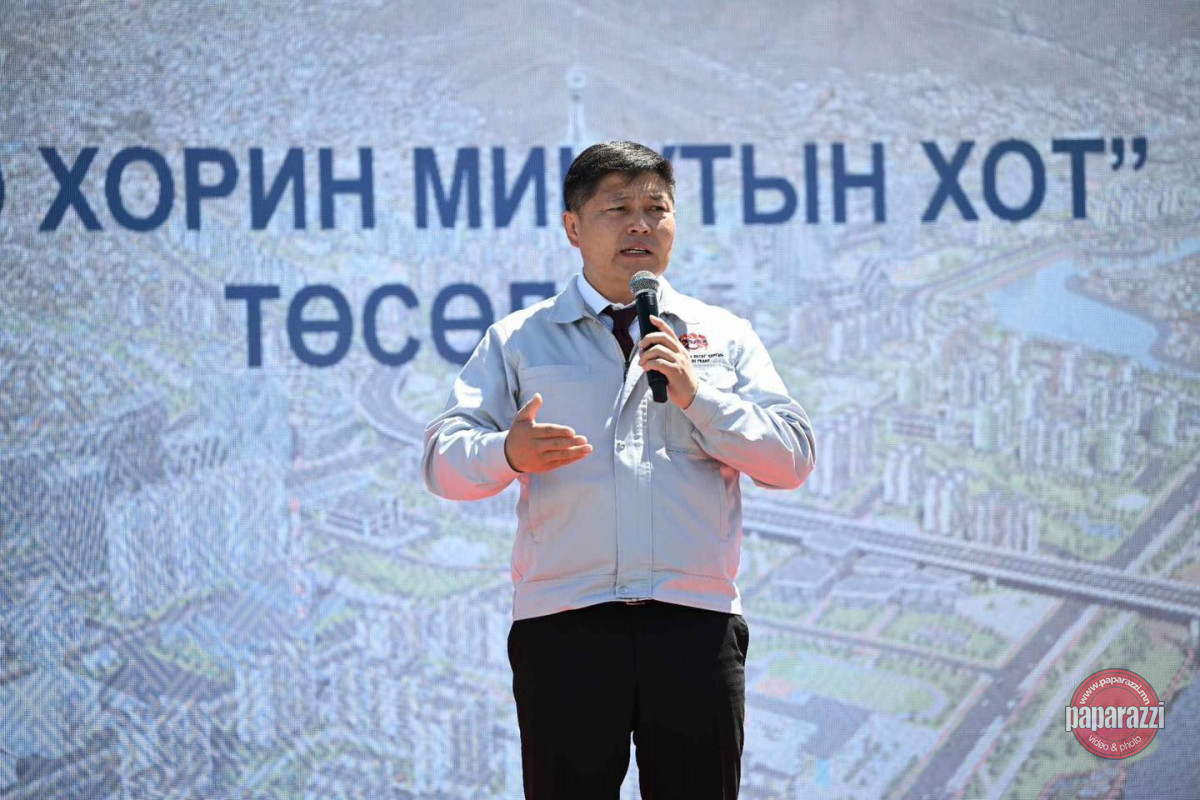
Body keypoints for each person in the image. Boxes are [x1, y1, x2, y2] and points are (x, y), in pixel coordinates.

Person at [422, 140, 815, 799]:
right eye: (618, 209)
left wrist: (698, 396)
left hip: (695, 623)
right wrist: (507, 453)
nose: (640, 225)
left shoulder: (722, 335)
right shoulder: (520, 339)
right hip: (565, 626)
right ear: (573, 226)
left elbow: (792, 458)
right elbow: (442, 461)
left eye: (656, 209)